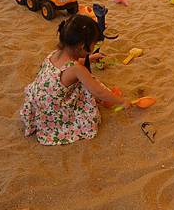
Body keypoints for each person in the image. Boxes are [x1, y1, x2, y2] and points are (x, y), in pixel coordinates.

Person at [20, 15, 130, 146]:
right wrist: (122, 101)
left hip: (39, 100)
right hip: (53, 111)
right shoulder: (77, 69)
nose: (94, 46)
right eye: (94, 44)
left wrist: (92, 57)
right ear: (83, 46)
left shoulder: (56, 53)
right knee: (89, 105)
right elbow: (98, 92)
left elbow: (68, 66)